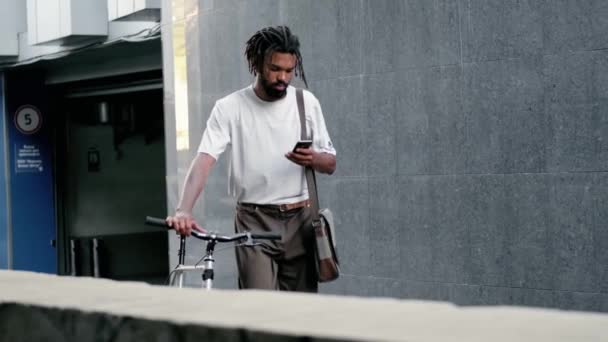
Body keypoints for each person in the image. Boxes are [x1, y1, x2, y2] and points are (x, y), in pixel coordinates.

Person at [166, 26, 336, 292]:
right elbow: (204, 160)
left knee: (302, 313)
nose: (283, 77)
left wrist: (312, 158)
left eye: (289, 71)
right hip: (253, 221)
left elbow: (331, 163)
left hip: (301, 219)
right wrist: (184, 209)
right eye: (274, 68)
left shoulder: (307, 103)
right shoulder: (230, 107)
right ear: (256, 63)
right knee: (257, 308)